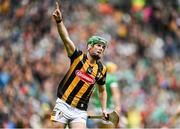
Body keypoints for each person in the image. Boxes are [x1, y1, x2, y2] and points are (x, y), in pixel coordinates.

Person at [50, 2, 109, 129]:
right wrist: (59, 21)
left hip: (80, 111)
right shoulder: (77, 57)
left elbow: (102, 90)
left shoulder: (102, 69)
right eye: (98, 45)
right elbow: (66, 38)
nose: (101, 49)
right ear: (89, 47)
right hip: (63, 104)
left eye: (103, 47)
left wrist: (104, 109)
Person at [89, 61, 121, 128]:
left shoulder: (99, 77)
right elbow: (115, 94)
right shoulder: (112, 79)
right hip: (107, 108)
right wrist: (118, 105)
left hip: (97, 108)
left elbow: (93, 93)